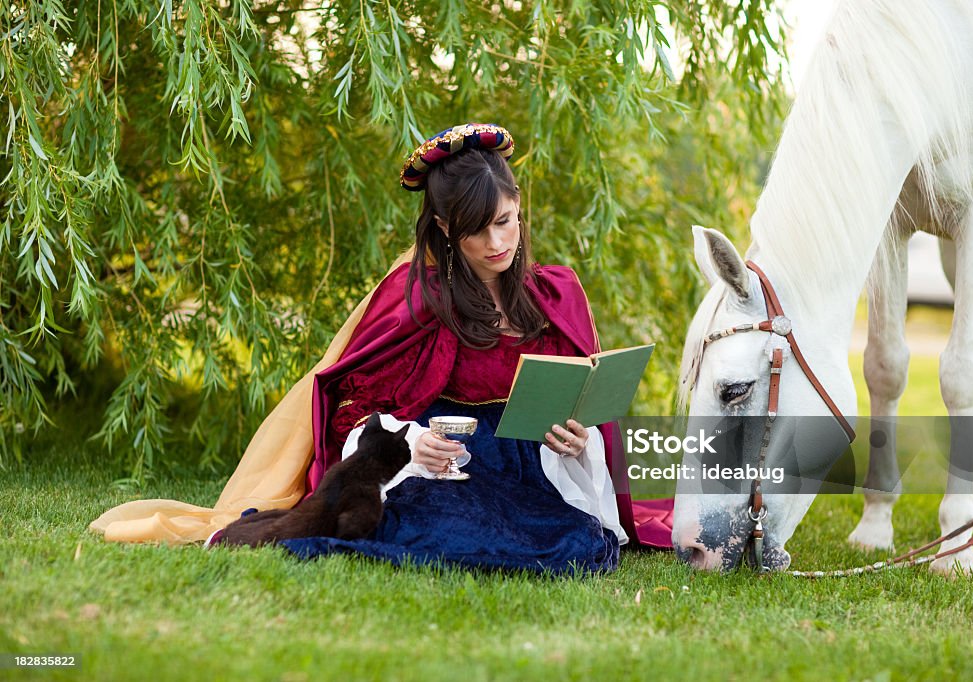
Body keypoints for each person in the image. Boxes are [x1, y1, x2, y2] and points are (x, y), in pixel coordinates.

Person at [89, 123, 673, 560]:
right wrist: (411, 443)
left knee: (578, 543)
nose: (499, 241)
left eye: (507, 220)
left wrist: (578, 439)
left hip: (538, 462)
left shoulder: (554, 292)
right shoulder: (420, 295)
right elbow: (352, 410)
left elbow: (585, 400)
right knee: (476, 536)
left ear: (520, 209)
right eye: (478, 229)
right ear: (446, 229)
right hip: (450, 462)